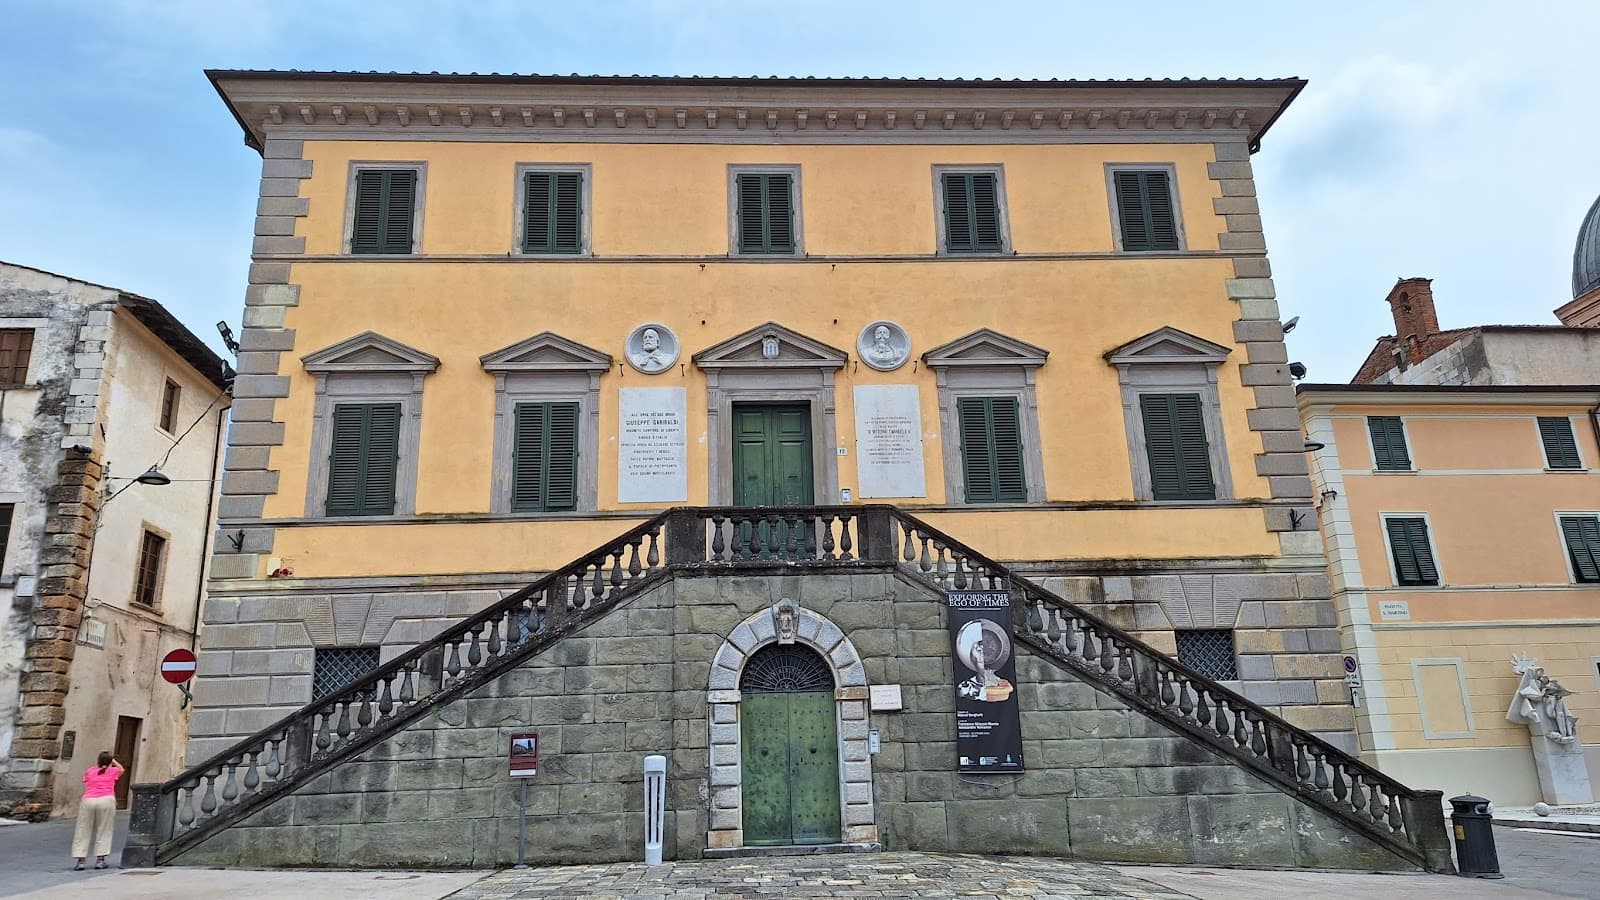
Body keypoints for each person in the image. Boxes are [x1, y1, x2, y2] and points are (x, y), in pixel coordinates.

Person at [72, 752, 122, 870]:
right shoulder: (113, 771)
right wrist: (112, 761)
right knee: (104, 829)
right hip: (106, 800)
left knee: (83, 829)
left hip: (88, 800)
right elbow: (121, 769)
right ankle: (100, 860)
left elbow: (86, 781)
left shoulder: (90, 771)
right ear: (110, 762)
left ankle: (81, 861)